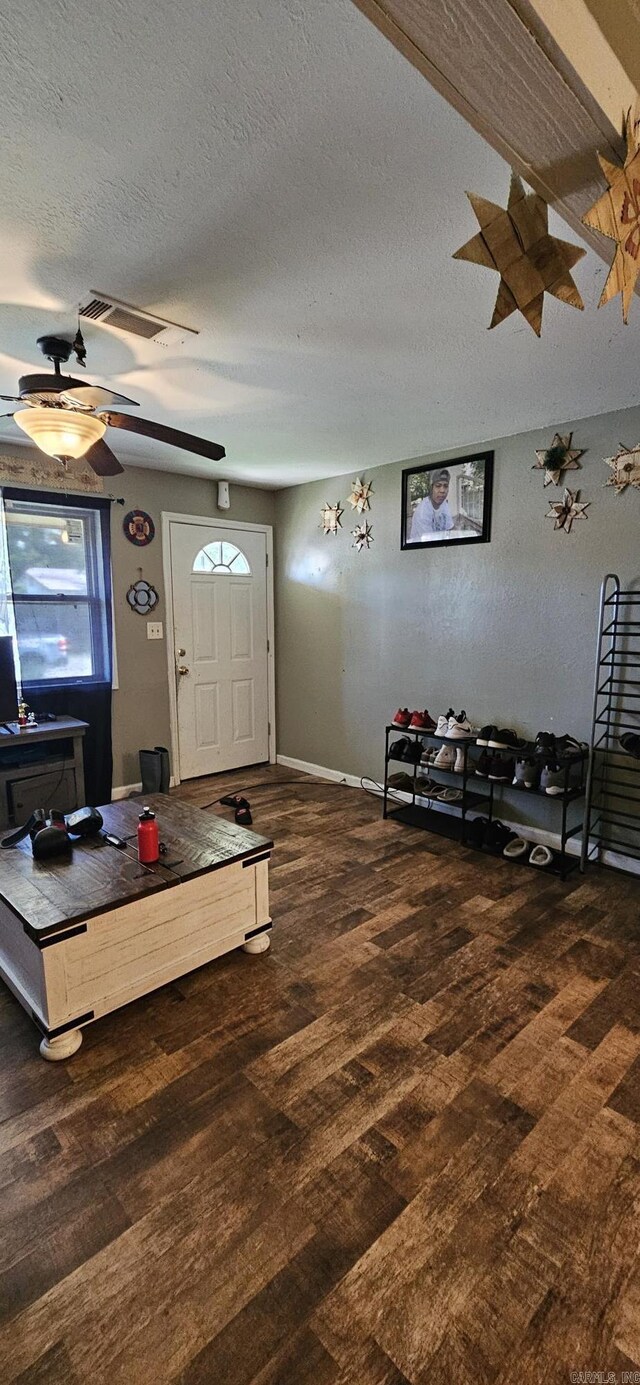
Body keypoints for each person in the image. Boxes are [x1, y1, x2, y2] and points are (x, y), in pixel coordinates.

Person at [409, 468, 454, 541]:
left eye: (445, 486)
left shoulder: (444, 504)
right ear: (431, 488)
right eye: (438, 486)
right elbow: (430, 543)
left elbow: (450, 529)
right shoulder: (423, 512)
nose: (442, 491)